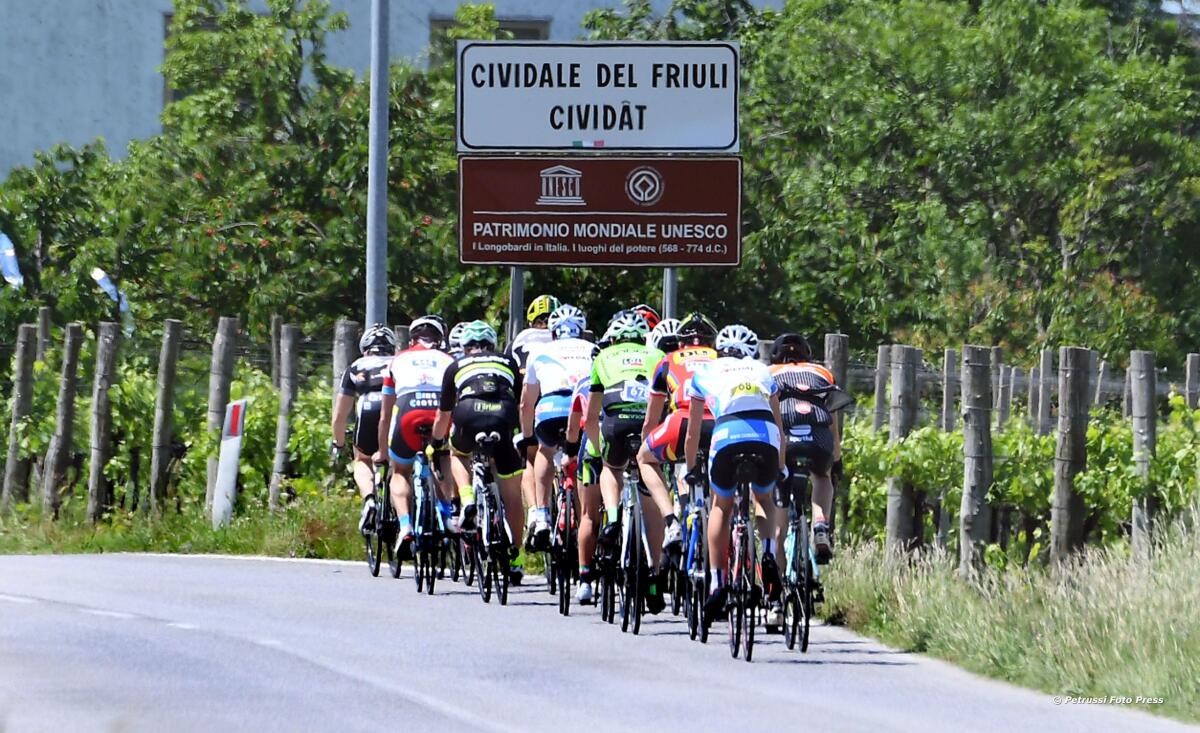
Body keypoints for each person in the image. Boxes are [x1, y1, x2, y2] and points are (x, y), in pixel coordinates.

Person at [683, 324, 785, 621]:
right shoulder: (763, 370)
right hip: (765, 433)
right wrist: (781, 467)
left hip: (727, 432)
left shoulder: (705, 373)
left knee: (721, 507)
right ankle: (767, 552)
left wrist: (691, 470)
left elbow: (692, 434)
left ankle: (717, 583)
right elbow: (779, 427)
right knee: (763, 499)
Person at [430, 320, 528, 584]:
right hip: (503, 412)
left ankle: (468, 498)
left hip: (468, 411)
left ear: (465, 347)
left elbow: (444, 415)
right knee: (513, 495)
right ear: (491, 344)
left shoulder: (455, 366)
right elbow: (521, 403)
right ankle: (516, 558)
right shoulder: (507, 360)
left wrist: (436, 441)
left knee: (458, 453)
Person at [584, 310, 668, 612]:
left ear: (614, 338)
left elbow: (591, 416)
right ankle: (655, 576)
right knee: (650, 488)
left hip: (616, 422)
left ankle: (615, 518)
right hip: (649, 420)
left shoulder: (602, 357)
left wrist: (597, 449)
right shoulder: (657, 353)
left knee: (611, 468)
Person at [636, 313, 718, 553]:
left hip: (680, 422)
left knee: (644, 459)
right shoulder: (721, 359)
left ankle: (671, 522)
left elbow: (651, 420)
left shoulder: (668, 359)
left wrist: (646, 443)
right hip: (719, 424)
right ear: (712, 343)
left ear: (681, 343)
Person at [374, 316, 454, 557]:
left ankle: (406, 525)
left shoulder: (398, 359)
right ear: (440, 339)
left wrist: (382, 452)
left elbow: (385, 414)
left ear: (411, 339)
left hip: (408, 411)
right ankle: (448, 513)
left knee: (400, 472)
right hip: (439, 411)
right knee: (443, 458)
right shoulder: (449, 360)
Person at [518, 304, 595, 551]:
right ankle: (587, 518)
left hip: (551, 407)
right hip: (582, 408)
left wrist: (528, 436)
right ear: (582, 332)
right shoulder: (594, 349)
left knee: (543, 450)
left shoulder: (540, 352)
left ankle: (540, 515)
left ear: (553, 332)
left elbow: (526, 403)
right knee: (587, 460)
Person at [769, 333, 843, 564]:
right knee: (822, 477)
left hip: (785, 439)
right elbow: (833, 427)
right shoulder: (823, 373)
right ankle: (820, 523)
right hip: (818, 438)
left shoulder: (768, 375)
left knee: (778, 489)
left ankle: (776, 592)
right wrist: (836, 461)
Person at [331, 323, 397, 533]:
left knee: (362, 459)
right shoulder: (399, 362)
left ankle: (369, 498)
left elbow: (339, 416)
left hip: (368, 407)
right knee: (401, 464)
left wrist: (338, 444)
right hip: (395, 409)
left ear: (364, 348)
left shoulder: (356, 367)